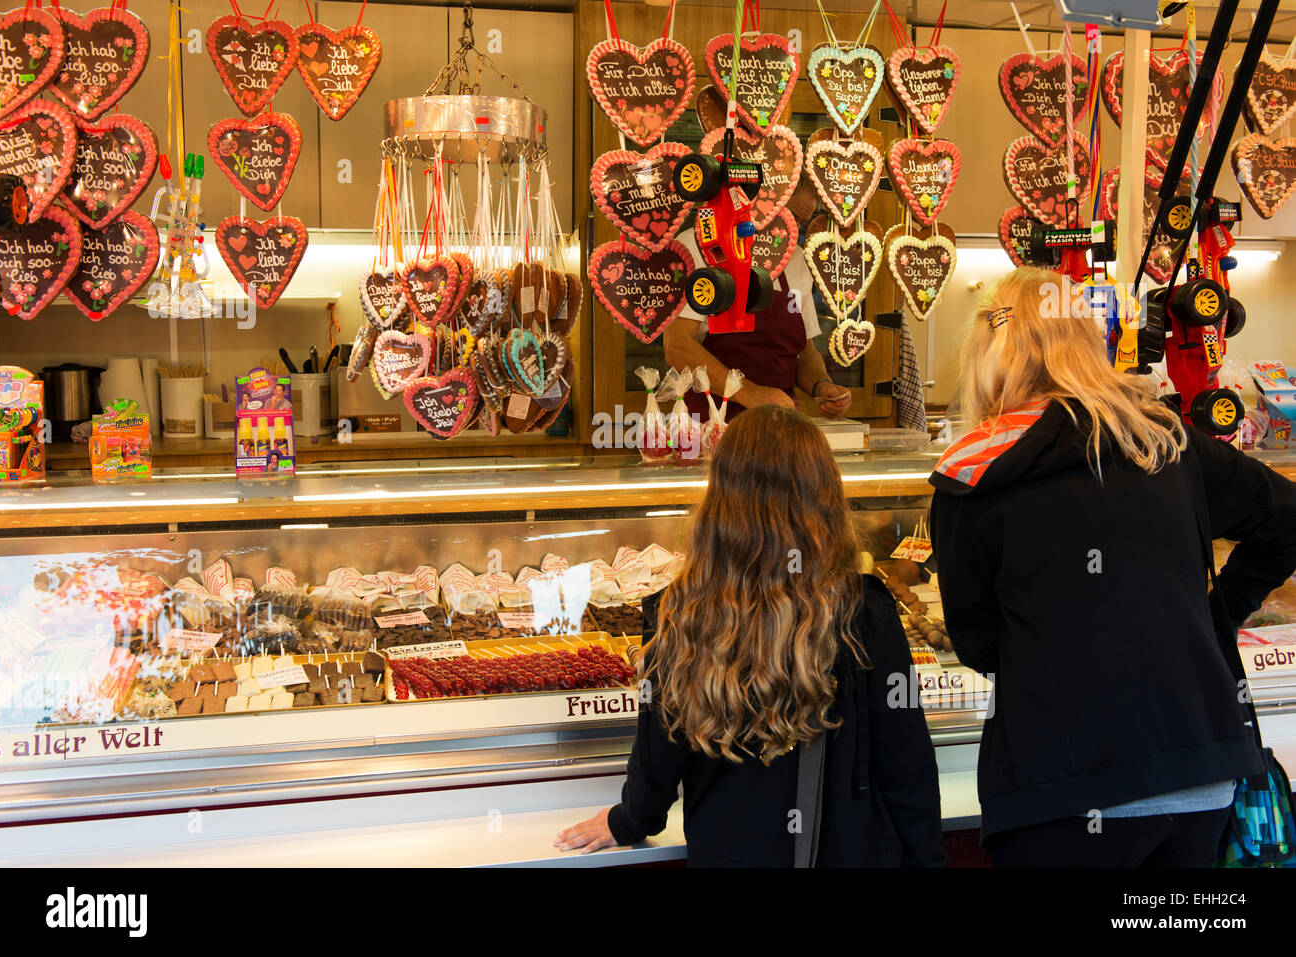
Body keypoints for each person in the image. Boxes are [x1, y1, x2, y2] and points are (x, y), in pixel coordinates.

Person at [929, 267, 1296, 868]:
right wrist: (1214, 615)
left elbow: (975, 642)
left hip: (1060, 785)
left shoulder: (974, 473)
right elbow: (1285, 520)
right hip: (1198, 769)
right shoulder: (1166, 441)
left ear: (990, 350)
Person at [555, 405, 945, 866]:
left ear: (720, 499)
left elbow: (658, 759)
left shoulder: (678, 611)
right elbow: (907, 769)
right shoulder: (863, 612)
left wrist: (628, 820)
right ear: (824, 497)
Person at [664, 231, 853, 420]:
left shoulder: (796, 256)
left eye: (816, 199)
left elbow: (804, 352)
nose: (813, 205)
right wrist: (750, 394)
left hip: (779, 425)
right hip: (711, 425)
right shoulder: (698, 245)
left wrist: (821, 385)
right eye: (810, 198)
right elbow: (678, 347)